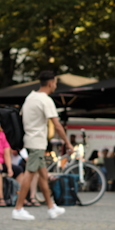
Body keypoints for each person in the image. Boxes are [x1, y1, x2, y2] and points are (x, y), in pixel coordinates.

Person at [12, 71, 73, 221]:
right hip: (37, 142)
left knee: (43, 176)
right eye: (56, 83)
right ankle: (18, 209)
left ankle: (52, 207)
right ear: (51, 82)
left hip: (31, 140)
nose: (55, 86)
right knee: (30, 174)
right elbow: (57, 125)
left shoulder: (30, 97)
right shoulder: (45, 100)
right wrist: (68, 143)